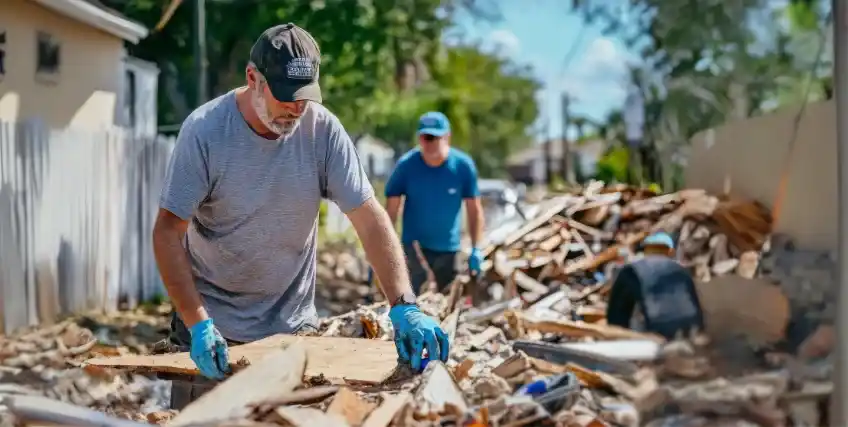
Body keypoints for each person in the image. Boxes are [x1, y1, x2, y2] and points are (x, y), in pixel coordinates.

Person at [152, 23, 449, 409]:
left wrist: (404, 304)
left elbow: (369, 218)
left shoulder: (322, 132)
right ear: (252, 78)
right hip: (212, 333)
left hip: (292, 330)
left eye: (305, 97)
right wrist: (197, 323)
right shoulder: (206, 132)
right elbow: (167, 233)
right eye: (286, 96)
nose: (296, 107)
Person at [383, 112, 484, 294]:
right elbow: (391, 210)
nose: (428, 143)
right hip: (414, 248)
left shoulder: (462, 167)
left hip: (449, 249)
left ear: (447, 137)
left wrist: (476, 247)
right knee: (414, 301)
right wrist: (384, 247)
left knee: (447, 300)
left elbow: (474, 210)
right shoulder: (406, 166)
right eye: (424, 137)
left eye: (434, 137)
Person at [605, 232, 705, 340]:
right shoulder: (682, 270)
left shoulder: (632, 270)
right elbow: (695, 303)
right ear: (670, 251)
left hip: (660, 330)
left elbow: (616, 315)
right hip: (693, 326)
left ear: (645, 250)